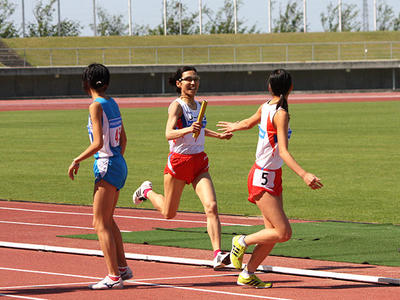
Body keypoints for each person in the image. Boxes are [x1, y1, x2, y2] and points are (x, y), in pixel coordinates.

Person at [217, 69, 323, 288]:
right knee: (283, 233)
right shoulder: (280, 112)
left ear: (270, 88)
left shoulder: (267, 106)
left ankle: (247, 273)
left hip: (272, 175)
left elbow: (249, 122)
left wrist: (234, 126)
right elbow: (283, 151)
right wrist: (304, 174)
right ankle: (241, 241)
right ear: (291, 87)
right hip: (263, 176)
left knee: (271, 234)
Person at [133, 66, 233, 270]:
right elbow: (168, 134)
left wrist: (219, 136)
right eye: (188, 79)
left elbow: (200, 129)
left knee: (211, 206)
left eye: (196, 79)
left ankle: (216, 253)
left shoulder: (199, 105)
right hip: (179, 162)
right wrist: (188, 129)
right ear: (179, 83)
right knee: (169, 213)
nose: (193, 83)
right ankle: (146, 191)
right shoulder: (176, 106)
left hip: (198, 163)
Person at [68, 63, 132, 290]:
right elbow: (123, 140)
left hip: (106, 164)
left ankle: (114, 276)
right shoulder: (113, 103)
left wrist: (77, 159)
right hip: (118, 162)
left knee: (99, 222)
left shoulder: (95, 106)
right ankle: (122, 267)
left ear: (86, 82)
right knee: (108, 218)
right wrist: (115, 161)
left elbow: (97, 143)